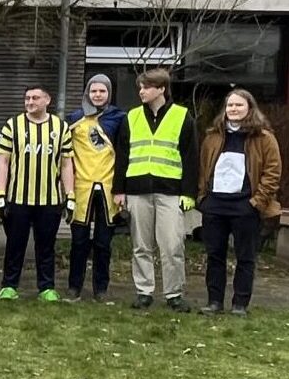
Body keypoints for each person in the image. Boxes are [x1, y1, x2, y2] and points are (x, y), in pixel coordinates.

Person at [113, 68, 200, 313]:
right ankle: (144, 292)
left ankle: (174, 294)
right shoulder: (131, 117)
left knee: (172, 246)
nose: (141, 91)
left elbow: (191, 157)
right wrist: (119, 189)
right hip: (137, 190)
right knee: (140, 245)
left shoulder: (182, 116)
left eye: (147, 87)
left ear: (161, 89)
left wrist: (189, 193)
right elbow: (122, 155)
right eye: (140, 87)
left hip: (170, 191)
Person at [197, 89, 282, 316]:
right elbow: (203, 168)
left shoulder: (264, 138)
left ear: (250, 108)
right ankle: (214, 302)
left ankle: (240, 304)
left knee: (245, 257)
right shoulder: (213, 137)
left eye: (238, 105)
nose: (233, 109)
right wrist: (203, 198)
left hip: (245, 206)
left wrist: (256, 202)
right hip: (215, 205)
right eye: (230, 105)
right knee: (215, 256)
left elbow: (272, 173)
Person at [0, 85, 72, 302]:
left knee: (46, 246)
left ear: (47, 100)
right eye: (27, 98)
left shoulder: (60, 127)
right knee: (14, 244)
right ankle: (9, 286)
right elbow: (2, 161)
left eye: (35, 98)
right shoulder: (13, 125)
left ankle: (46, 288)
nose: (30, 102)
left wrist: (70, 195)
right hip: (17, 197)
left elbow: (67, 164)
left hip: (50, 199)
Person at [64, 74, 124, 303]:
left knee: (103, 243)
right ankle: (74, 287)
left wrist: (121, 188)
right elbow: (65, 156)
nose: (98, 95)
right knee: (79, 242)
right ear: (87, 93)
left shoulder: (119, 118)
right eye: (94, 91)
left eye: (102, 91)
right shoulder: (74, 119)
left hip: (108, 187)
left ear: (109, 93)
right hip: (81, 187)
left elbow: (123, 153)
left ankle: (101, 288)